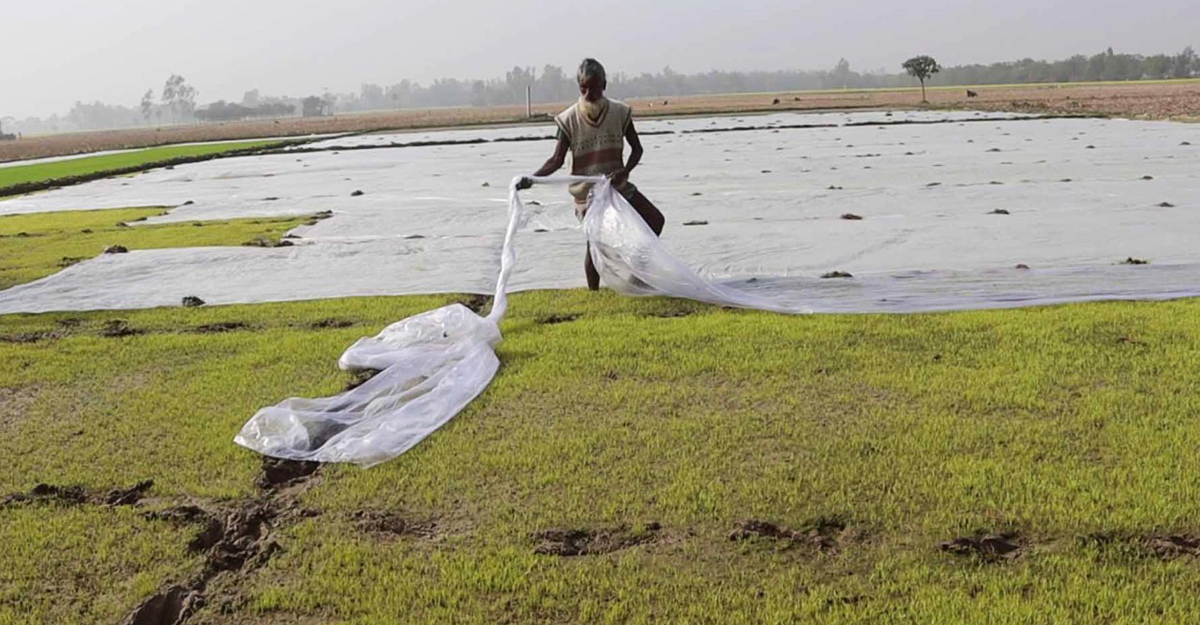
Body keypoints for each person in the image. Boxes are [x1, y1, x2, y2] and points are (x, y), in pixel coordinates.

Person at [518, 58, 665, 291]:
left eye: (594, 88)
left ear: (604, 85)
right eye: (583, 88)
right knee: (595, 242)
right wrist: (532, 179)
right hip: (587, 195)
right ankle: (593, 293)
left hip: (617, 187)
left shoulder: (620, 112)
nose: (589, 94)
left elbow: (637, 149)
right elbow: (556, 160)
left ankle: (636, 270)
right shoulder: (568, 119)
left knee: (655, 220)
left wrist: (624, 171)